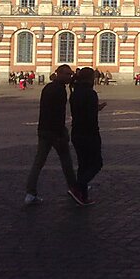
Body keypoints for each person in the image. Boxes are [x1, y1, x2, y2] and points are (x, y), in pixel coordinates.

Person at [25, 64, 80, 205]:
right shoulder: (59, 90)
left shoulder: (49, 87)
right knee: (66, 161)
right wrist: (61, 131)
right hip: (55, 132)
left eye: (70, 74)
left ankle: (30, 193)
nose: (70, 77)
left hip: (44, 130)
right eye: (67, 74)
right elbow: (57, 113)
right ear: (59, 74)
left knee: (38, 162)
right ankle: (74, 188)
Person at [69, 67, 106, 206]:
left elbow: (80, 111)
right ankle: (77, 187)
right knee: (97, 163)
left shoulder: (74, 93)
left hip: (76, 132)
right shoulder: (91, 93)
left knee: (83, 165)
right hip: (89, 133)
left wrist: (96, 108)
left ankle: (83, 197)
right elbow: (89, 116)